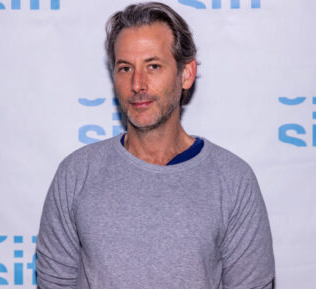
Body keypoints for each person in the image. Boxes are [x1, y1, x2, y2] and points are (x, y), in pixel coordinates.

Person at [36, 2, 275, 288]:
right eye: (125, 68)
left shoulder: (233, 180)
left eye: (153, 66)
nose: (138, 84)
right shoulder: (76, 174)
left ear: (185, 74)